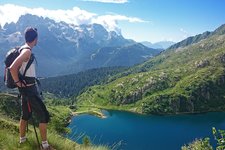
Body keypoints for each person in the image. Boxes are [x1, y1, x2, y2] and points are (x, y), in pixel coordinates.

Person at [9, 27, 54, 150]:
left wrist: (19, 84)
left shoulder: (22, 48)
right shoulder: (27, 51)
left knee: (25, 115)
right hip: (30, 90)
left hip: (25, 90)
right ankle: (45, 146)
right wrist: (18, 82)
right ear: (35, 38)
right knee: (43, 116)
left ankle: (22, 141)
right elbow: (12, 68)